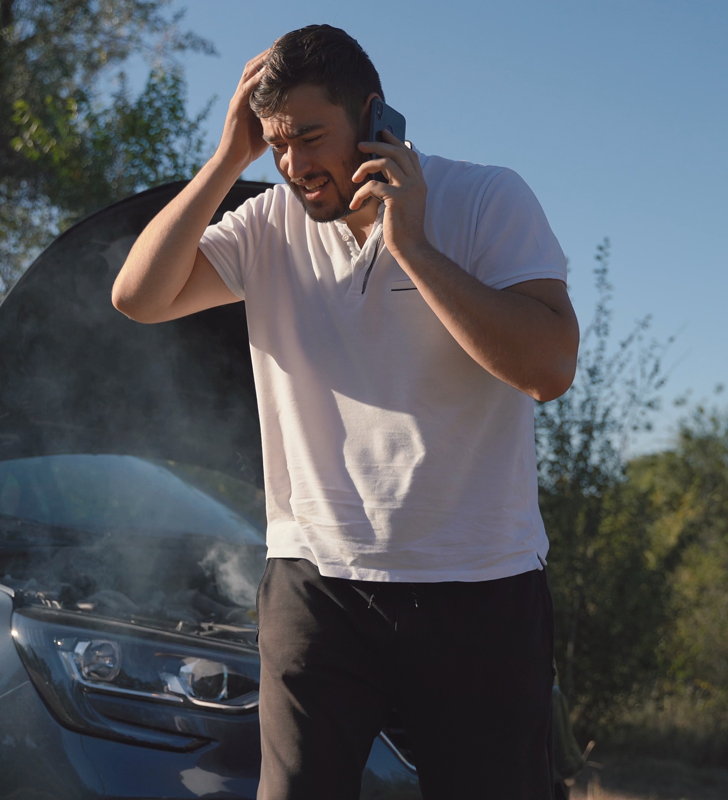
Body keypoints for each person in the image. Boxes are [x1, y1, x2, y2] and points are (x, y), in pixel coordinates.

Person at [112, 24, 579, 800]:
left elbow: (548, 368)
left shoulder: (488, 199)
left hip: (481, 583)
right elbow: (140, 296)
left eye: (309, 137)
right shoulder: (267, 224)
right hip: (317, 583)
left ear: (372, 117)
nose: (292, 165)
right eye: (275, 142)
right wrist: (230, 158)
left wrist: (416, 248)